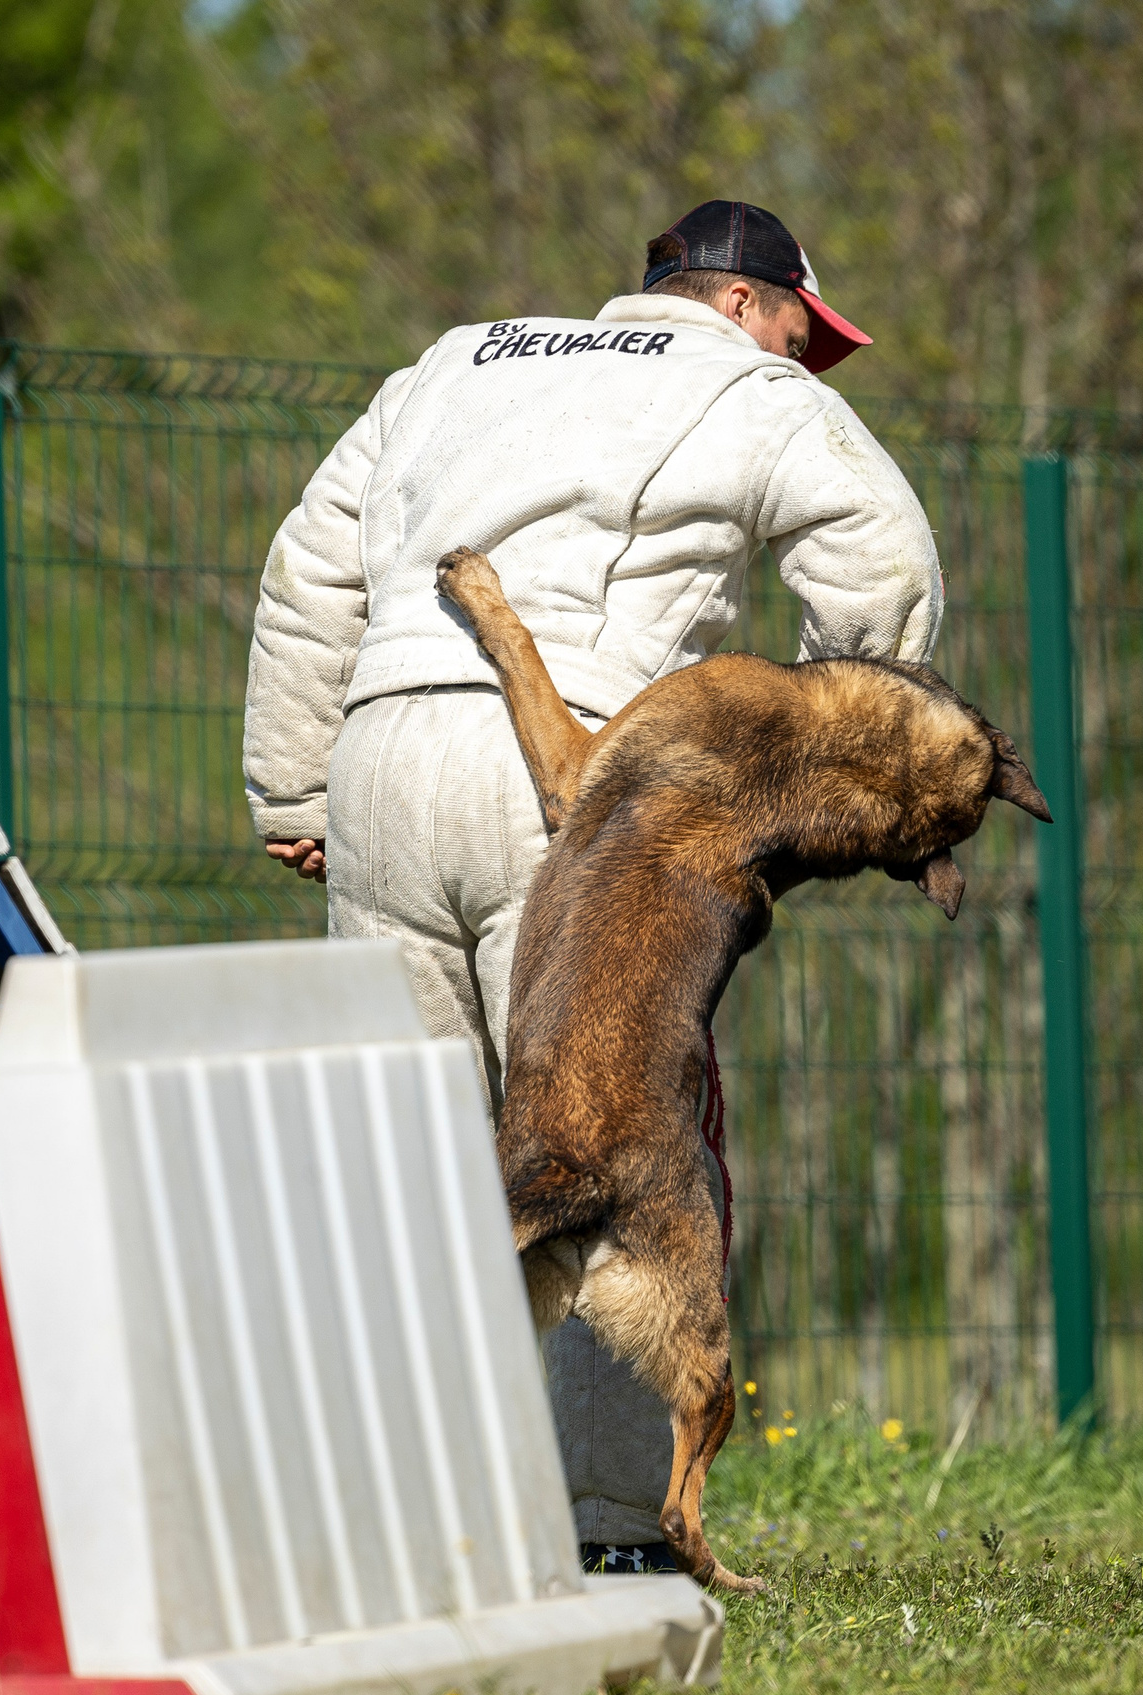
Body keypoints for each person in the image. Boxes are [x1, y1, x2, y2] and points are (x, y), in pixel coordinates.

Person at [242, 199, 942, 1570]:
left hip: (385, 752)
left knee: (421, 1165)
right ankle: (612, 1533)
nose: (804, 363)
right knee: (624, 1159)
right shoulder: (741, 384)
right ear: (747, 305)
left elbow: (309, 564)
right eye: (806, 334)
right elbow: (882, 558)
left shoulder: (454, 360)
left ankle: (412, 1540)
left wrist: (293, 785)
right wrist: (823, 766)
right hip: (582, 777)